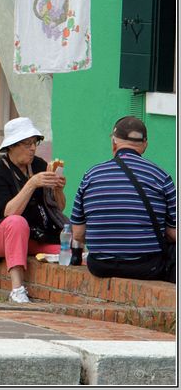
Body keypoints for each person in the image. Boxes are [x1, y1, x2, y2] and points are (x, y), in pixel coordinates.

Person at [70, 116, 177, 283]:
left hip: (100, 266)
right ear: (145, 145)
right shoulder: (161, 177)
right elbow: (174, 233)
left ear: (114, 143)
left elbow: (77, 234)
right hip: (147, 266)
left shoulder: (90, 176)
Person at [0, 117, 67, 303]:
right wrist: (32, 183)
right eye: (27, 144)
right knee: (17, 223)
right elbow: (8, 213)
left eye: (35, 143)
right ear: (12, 146)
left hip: (36, 235)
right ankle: (17, 290)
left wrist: (58, 190)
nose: (33, 148)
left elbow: (58, 208)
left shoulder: (40, 165)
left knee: (70, 252)